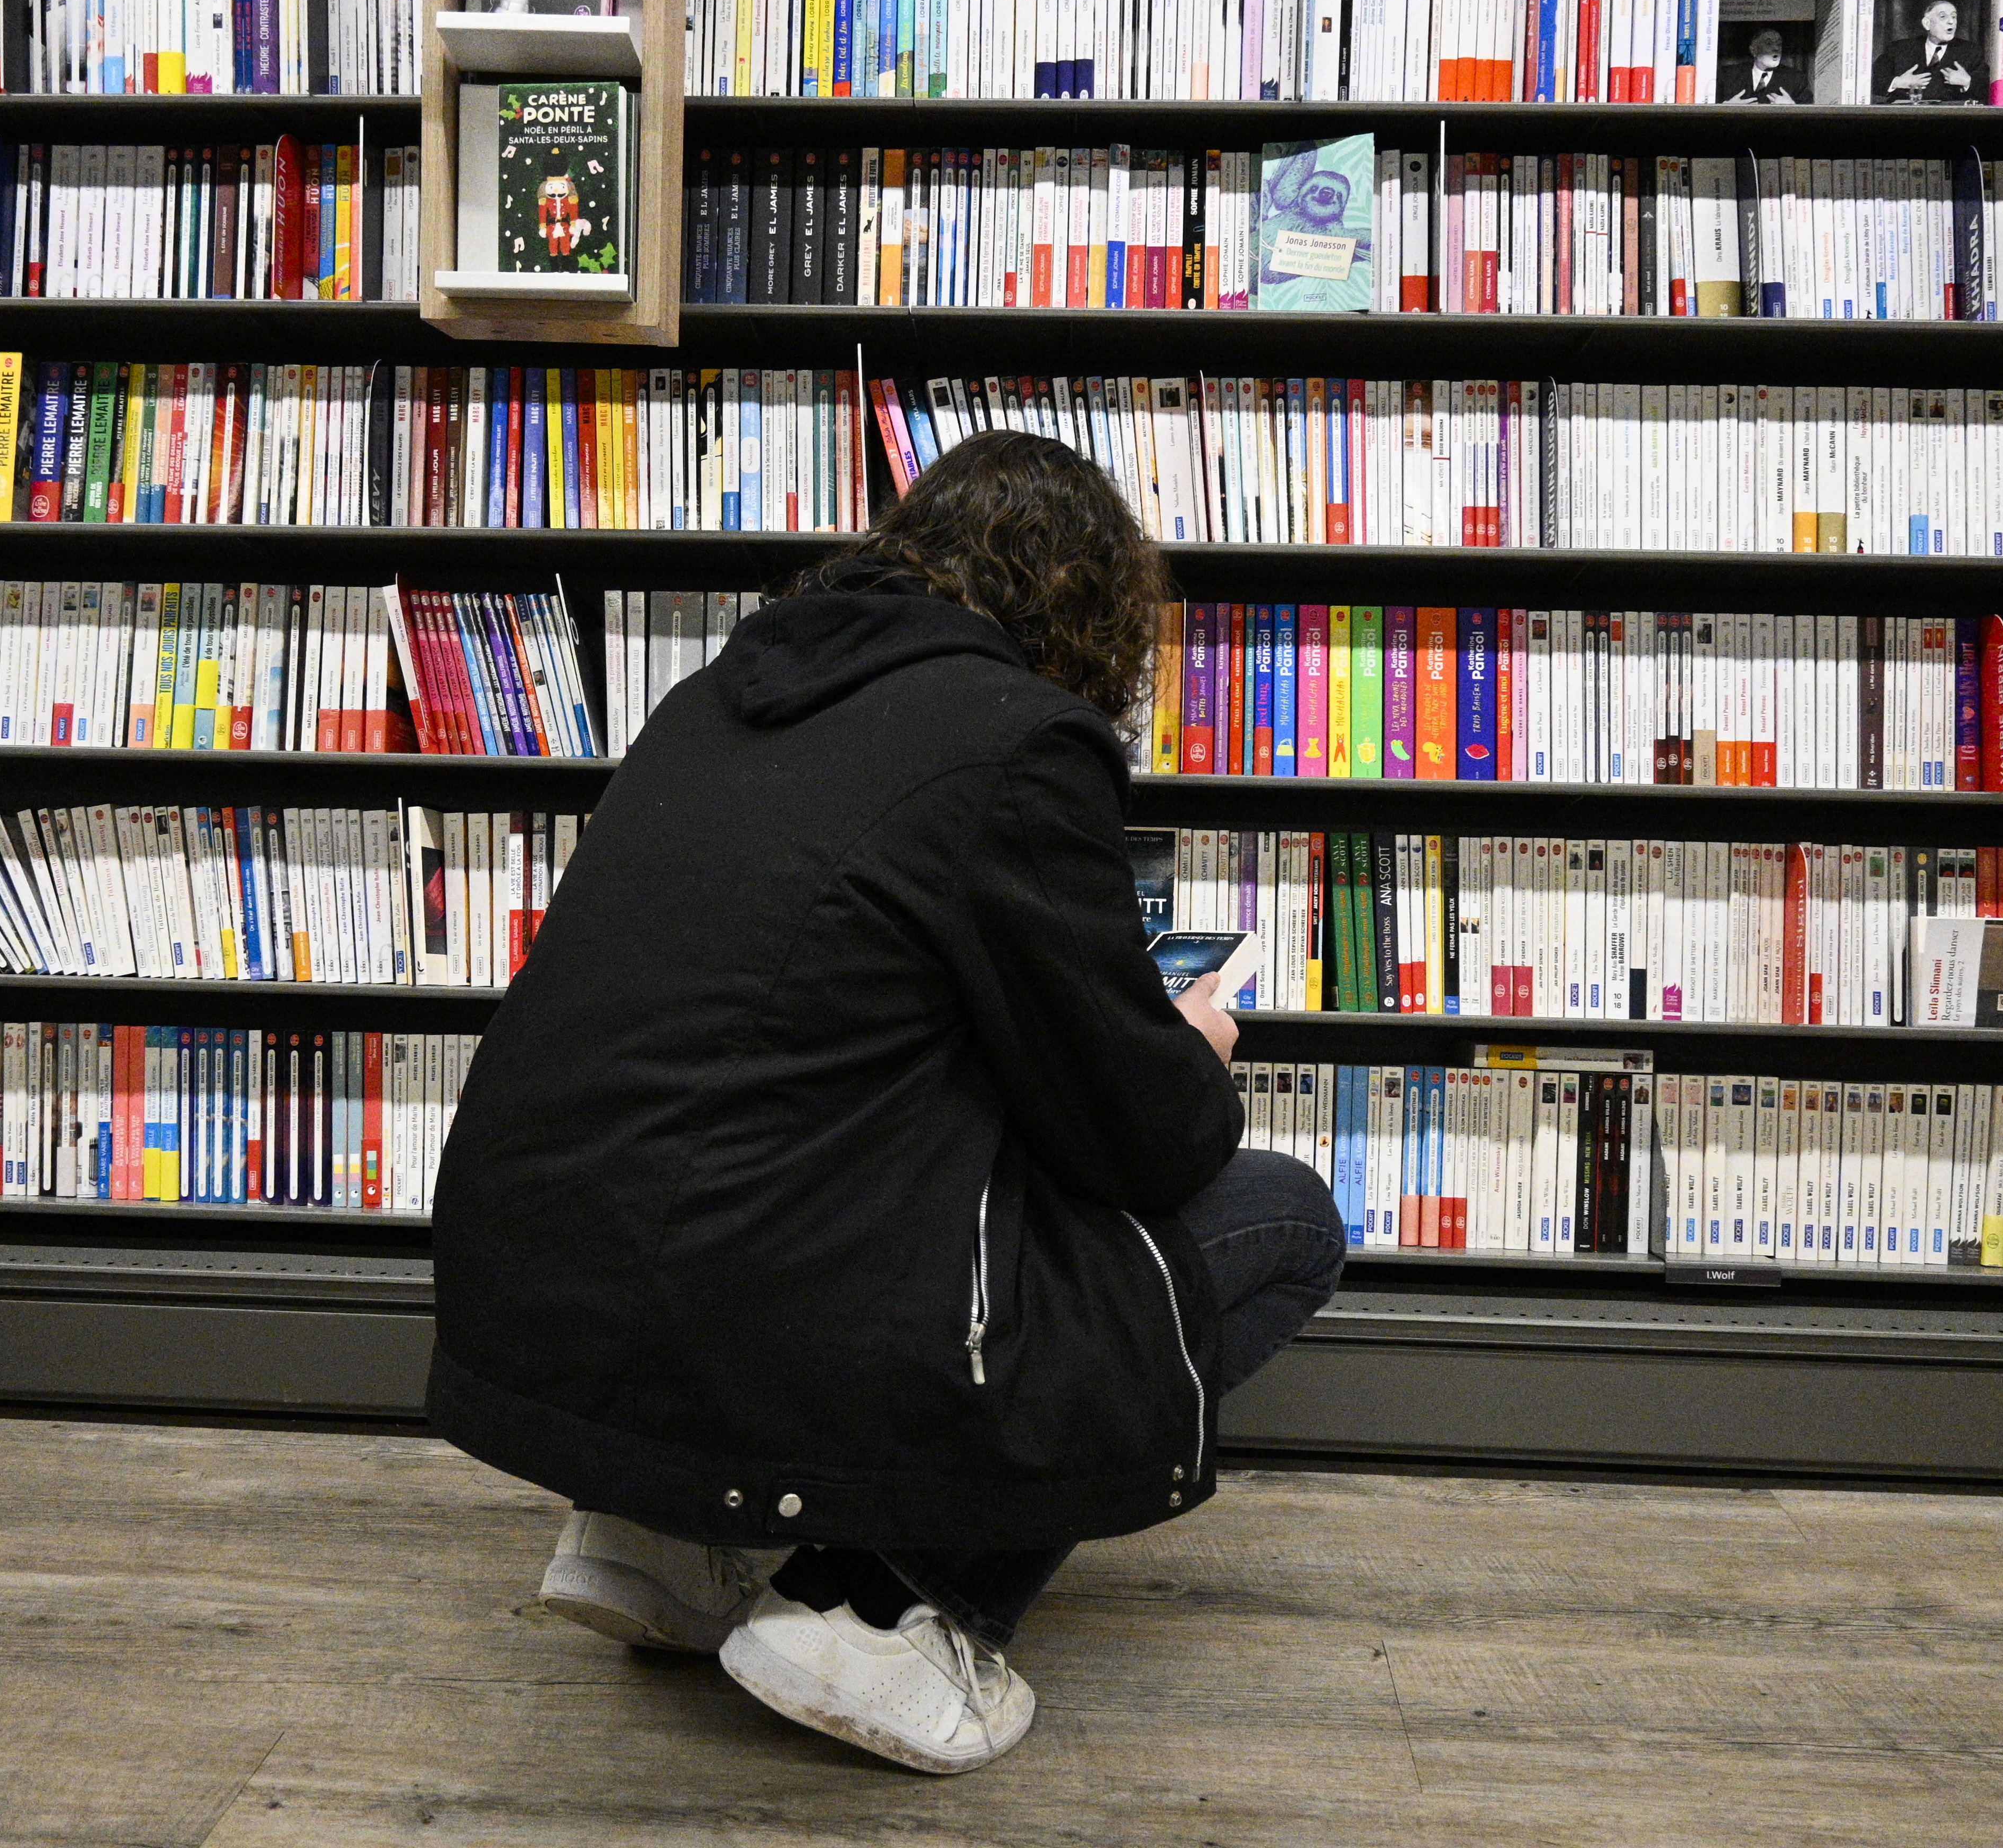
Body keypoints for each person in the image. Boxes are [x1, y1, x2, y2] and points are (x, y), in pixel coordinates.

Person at [427, 430, 1343, 1774]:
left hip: (532, 1291)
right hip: (736, 1291)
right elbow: (1136, 1140)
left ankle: (664, 1530)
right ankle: (896, 1600)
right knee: (1279, 1218)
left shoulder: (714, 698)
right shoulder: (1018, 742)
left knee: (846, 1164)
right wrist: (1187, 1051)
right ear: (1084, 605)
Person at [1874, 0, 1984, 104]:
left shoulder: (1971, 51)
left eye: (1954, 17)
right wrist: (1898, 82)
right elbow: (1872, 81)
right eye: (1943, 17)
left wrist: (1967, 82)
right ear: (1927, 24)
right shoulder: (1898, 49)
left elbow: (1986, 89)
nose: (1951, 21)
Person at [1721, 27, 1807, 104]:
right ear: (1753, 50)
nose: (1776, 48)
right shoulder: (1729, 75)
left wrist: (1792, 107)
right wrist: (1727, 108)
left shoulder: (1796, 79)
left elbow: (1809, 116)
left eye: (1779, 44)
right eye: (1769, 44)